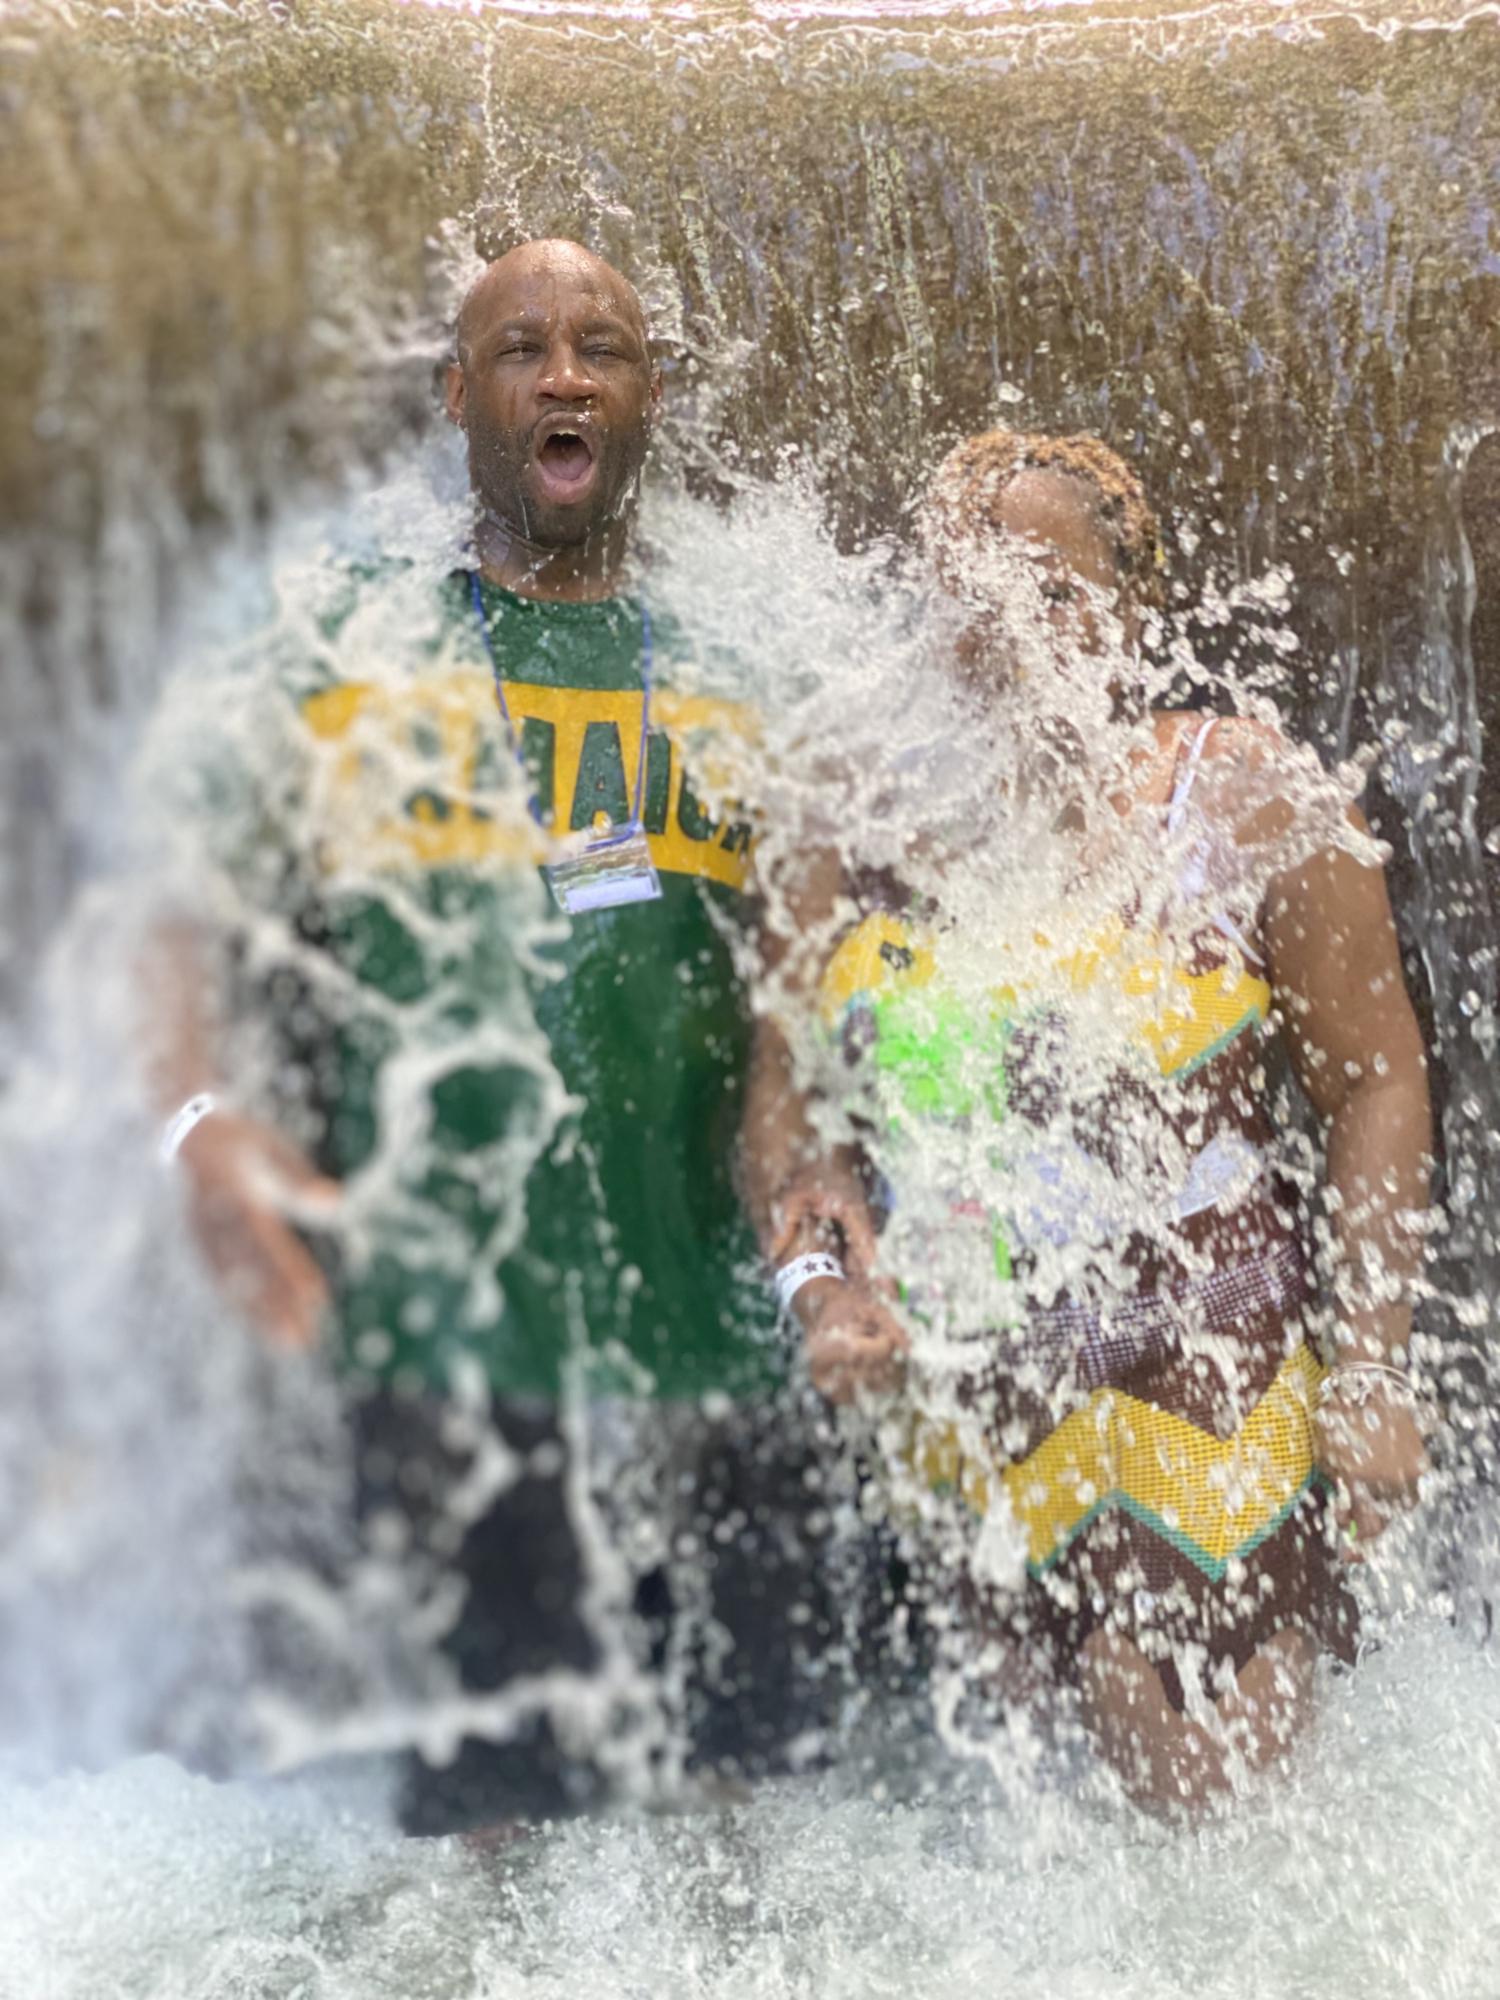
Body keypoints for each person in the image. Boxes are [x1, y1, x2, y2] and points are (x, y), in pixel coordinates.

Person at [145, 240, 839, 1831]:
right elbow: (173, 902)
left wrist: (820, 1261)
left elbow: (799, 1045)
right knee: (495, 1839)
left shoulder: (754, 678)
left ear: (649, 396)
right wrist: (195, 1128)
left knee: (763, 1822)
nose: (567, 374)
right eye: (523, 350)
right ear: (462, 397)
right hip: (460, 1342)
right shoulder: (351, 657)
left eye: (603, 347)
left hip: (717, 1345)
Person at [745, 428, 1433, 1811]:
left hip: (1215, 1380)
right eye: (974, 587)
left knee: (1204, 1784)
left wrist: (1371, 1367)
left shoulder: (1247, 794)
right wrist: (824, 1288)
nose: (1010, 625)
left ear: (1132, 612)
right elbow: (786, 1112)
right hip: (982, 1392)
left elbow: (1375, 1082)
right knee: (1027, 1826)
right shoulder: (845, 827)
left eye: (1055, 593)